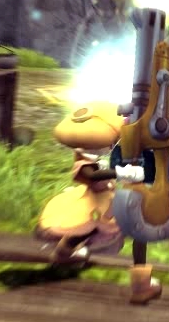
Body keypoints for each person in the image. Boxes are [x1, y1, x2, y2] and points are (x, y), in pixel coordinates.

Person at [34, 102, 145, 262]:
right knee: (85, 225)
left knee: (113, 219)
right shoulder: (83, 162)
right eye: (109, 143)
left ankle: (88, 247)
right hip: (91, 200)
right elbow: (93, 175)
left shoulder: (98, 158)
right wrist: (121, 172)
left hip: (103, 197)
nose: (110, 147)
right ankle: (65, 249)